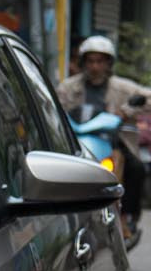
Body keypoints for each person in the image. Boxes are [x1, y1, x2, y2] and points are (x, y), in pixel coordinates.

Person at [59, 33, 146, 236]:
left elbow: (146, 97)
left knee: (136, 168)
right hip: (77, 141)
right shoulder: (68, 87)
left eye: (100, 61)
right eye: (90, 61)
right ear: (83, 62)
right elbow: (52, 106)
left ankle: (126, 217)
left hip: (113, 141)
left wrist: (126, 111)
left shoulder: (123, 87)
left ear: (108, 63)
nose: (95, 66)